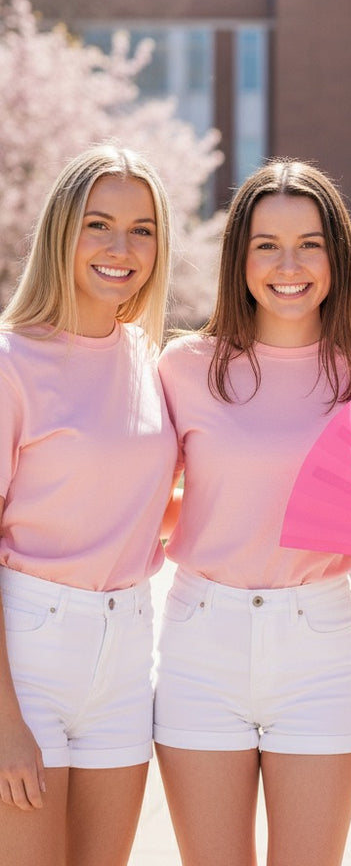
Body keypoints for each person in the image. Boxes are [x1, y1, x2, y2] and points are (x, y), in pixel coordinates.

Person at [153, 161, 351, 866]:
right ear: (239, 258)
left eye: (310, 243)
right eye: (266, 245)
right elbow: (143, 498)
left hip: (318, 641)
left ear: (338, 257)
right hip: (201, 641)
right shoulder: (183, 367)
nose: (289, 265)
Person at [0, 144, 177, 866]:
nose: (120, 247)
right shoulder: (11, 363)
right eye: (98, 224)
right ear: (60, 234)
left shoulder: (151, 360)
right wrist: (6, 721)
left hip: (127, 654)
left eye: (142, 230)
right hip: (29, 656)